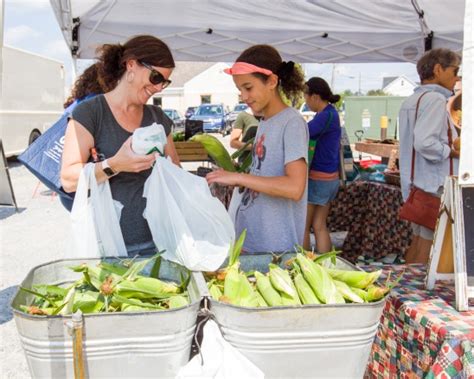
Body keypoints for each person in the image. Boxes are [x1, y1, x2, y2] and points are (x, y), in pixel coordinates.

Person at [61, 35, 180, 256]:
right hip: (107, 247)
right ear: (131, 64)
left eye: (165, 81)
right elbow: (68, 179)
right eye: (156, 77)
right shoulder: (90, 113)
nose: (159, 88)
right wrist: (115, 164)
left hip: (160, 244)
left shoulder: (158, 118)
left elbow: (176, 173)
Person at [206, 44, 308, 253]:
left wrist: (239, 178)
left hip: (275, 249)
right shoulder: (264, 122)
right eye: (240, 90)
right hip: (254, 242)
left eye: (248, 87)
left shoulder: (292, 123)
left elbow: (294, 188)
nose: (244, 96)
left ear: (272, 81)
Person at [399, 48, 461, 264]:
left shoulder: (413, 99)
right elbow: (425, 142)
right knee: (427, 248)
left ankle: (402, 291)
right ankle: (413, 295)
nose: (457, 77)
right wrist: (451, 151)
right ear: (437, 69)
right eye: (455, 70)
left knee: (418, 241)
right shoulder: (435, 99)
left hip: (418, 183)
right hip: (433, 185)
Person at [302, 78, 341, 253]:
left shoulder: (325, 116)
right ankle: (325, 265)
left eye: (306, 97)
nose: (305, 101)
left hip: (319, 179)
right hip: (330, 178)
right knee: (319, 225)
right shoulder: (331, 113)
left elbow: (302, 131)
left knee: (303, 226)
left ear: (315, 96)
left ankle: (303, 266)